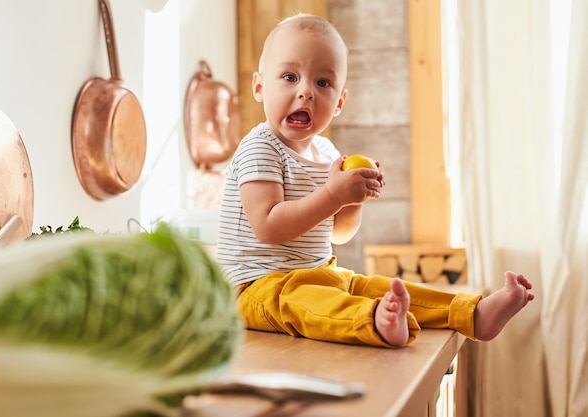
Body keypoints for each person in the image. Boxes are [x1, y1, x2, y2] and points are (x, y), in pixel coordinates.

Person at [216, 13, 534, 347]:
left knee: (373, 286)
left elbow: (339, 233)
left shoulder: (326, 152)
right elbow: (269, 227)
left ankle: (471, 313)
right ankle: (375, 322)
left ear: (339, 102)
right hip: (257, 287)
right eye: (289, 76)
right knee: (307, 303)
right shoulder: (259, 147)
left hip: (321, 272)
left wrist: (352, 202)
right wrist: (334, 195)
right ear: (259, 86)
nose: (306, 92)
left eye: (322, 83)